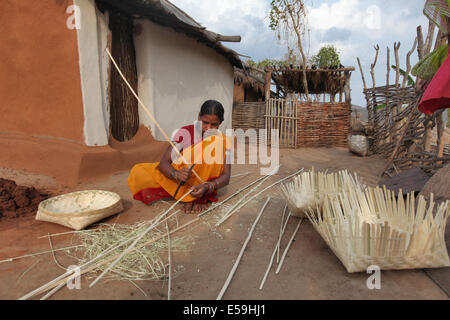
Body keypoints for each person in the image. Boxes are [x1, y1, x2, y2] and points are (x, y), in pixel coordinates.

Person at [127, 100, 231, 213]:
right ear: (199, 116)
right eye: (205, 122)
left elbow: (226, 176)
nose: (208, 127)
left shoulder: (222, 141)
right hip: (179, 180)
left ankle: (193, 195)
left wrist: (207, 187)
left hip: (203, 186)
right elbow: (164, 163)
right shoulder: (186, 132)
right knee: (140, 172)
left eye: (214, 124)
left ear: (221, 122)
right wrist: (176, 174)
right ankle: (186, 193)